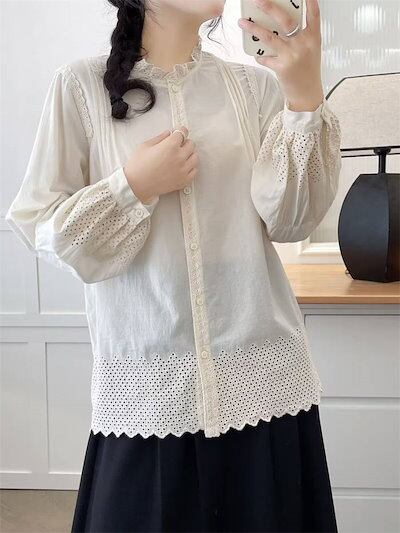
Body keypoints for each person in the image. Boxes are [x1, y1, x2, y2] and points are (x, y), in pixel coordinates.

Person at [5, 0, 342, 531]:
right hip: (148, 397)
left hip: (266, 387)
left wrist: (303, 98)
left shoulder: (252, 88)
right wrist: (132, 186)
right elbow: (44, 226)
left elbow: (291, 221)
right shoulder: (81, 87)